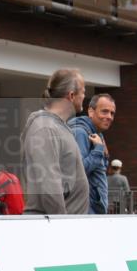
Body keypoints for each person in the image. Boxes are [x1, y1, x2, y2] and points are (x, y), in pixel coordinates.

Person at [21, 69, 89, 215]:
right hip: (54, 230)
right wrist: (61, 226)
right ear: (71, 95)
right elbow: (49, 188)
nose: (84, 96)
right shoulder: (45, 128)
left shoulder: (58, 127)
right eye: (83, 92)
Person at [69, 93, 115, 214]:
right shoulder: (80, 132)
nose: (109, 116)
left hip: (94, 208)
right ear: (91, 111)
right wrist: (99, 149)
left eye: (112, 113)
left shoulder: (97, 134)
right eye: (104, 111)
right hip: (86, 210)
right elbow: (79, 170)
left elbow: (100, 170)